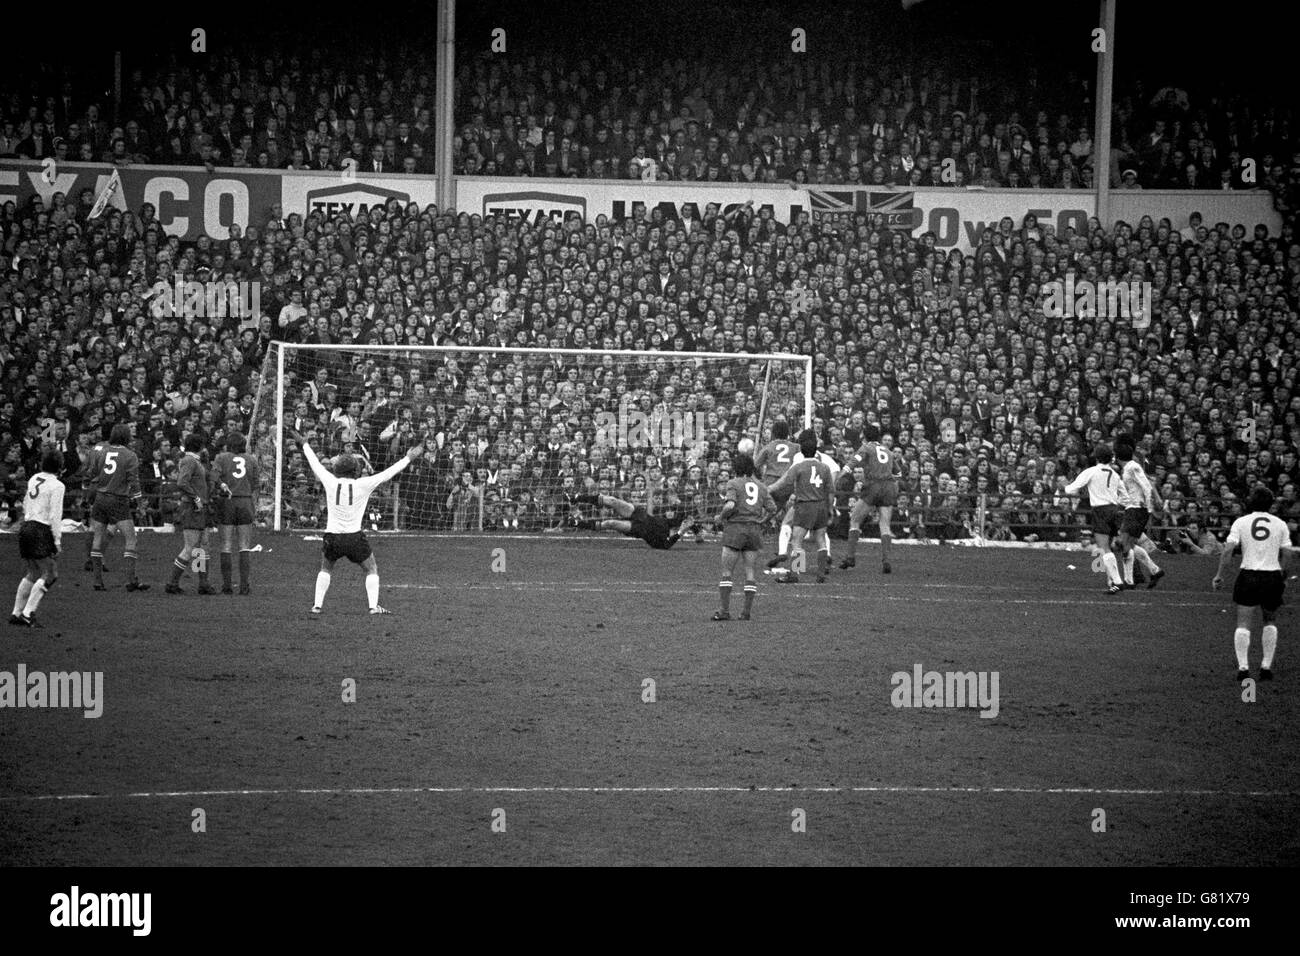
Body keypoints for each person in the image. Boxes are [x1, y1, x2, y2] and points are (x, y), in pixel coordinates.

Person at [293, 429, 426, 615]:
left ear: (337, 469)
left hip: (332, 536)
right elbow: (387, 473)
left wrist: (305, 444)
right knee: (371, 568)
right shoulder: (363, 484)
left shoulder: (330, 481)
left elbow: (315, 464)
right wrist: (408, 458)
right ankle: (373, 607)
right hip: (354, 537)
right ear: (355, 470)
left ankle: (317, 606)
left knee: (326, 568)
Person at [1212, 487, 1293, 682]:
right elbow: (1289, 553)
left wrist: (1219, 575)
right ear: (1270, 503)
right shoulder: (1280, 523)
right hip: (1272, 575)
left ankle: (1243, 668)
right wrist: (1283, 576)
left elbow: (1228, 549)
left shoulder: (1241, 522)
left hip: (1248, 574)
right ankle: (1266, 667)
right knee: (1270, 620)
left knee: (1243, 623)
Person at [766, 429, 835, 584]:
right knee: (821, 539)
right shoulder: (825, 468)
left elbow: (784, 482)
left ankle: (795, 573)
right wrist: (830, 509)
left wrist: (768, 489)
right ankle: (821, 573)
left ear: (802, 451)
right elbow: (831, 491)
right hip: (821, 506)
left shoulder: (798, 467)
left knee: (797, 540)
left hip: (805, 506)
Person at [713, 453, 776, 621]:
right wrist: (762, 521)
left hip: (736, 528)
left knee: (727, 572)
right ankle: (746, 612)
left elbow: (731, 505)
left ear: (736, 468)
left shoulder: (733, 483)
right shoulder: (761, 486)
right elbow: (773, 508)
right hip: (754, 530)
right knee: (750, 571)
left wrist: (721, 517)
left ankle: (724, 611)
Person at [86, 424, 148, 592]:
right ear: (126, 437)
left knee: (97, 539)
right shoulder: (130, 455)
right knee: (130, 539)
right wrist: (140, 504)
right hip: (118, 499)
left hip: (100, 497)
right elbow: (134, 482)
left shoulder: (102, 452)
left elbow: (93, 473)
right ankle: (131, 580)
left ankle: (98, 581)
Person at [11, 448, 65, 628]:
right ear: (60, 466)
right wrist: (57, 541)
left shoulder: (34, 478)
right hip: (40, 529)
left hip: (26, 526)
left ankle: (16, 612)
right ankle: (28, 613)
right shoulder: (57, 486)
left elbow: (26, 503)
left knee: (33, 572)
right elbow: (55, 516)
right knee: (51, 573)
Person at [1062, 443, 1126, 594]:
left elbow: (1073, 488)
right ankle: (1113, 580)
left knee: (1104, 547)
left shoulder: (1092, 471)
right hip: (1115, 510)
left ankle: (1117, 581)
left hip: (1101, 510)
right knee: (1112, 545)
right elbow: (1124, 495)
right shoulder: (1115, 475)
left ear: (1097, 457)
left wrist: (1064, 486)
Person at [840, 427, 903, 573]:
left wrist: (841, 474)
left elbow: (853, 463)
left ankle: (850, 557)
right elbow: (899, 473)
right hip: (888, 487)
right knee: (885, 524)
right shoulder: (888, 451)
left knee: (855, 520)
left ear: (864, 436)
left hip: (873, 486)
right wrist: (888, 478)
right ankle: (886, 560)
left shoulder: (866, 448)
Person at [1113, 437, 1166, 589]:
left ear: (1118, 457)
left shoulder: (1132, 467)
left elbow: (1146, 485)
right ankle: (1154, 571)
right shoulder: (1129, 467)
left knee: (1123, 544)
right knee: (1127, 544)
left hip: (1137, 509)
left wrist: (1148, 505)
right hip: (1133, 508)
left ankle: (1130, 581)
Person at [166, 434, 216, 595]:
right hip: (192, 508)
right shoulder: (189, 460)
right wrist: (195, 498)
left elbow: (203, 479)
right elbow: (182, 482)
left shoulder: (196, 461)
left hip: (200, 508)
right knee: (190, 547)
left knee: (203, 546)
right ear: (200, 446)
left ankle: (202, 583)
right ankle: (172, 583)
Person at [212, 432, 259, 595]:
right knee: (244, 546)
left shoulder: (221, 458)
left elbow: (214, 478)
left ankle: (227, 586)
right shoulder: (251, 459)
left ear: (229, 445)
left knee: (225, 544)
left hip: (227, 502)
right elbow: (255, 483)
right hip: (245, 502)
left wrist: (222, 486)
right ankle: (245, 586)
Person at [568, 491, 689, 549]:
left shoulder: (660, 541)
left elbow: (666, 546)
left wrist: (680, 533)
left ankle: (577, 523)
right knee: (613, 501)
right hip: (641, 514)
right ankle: (577, 497)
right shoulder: (669, 523)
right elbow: (687, 518)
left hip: (637, 529)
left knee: (611, 523)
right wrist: (697, 532)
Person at [755, 420, 800, 568]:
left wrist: (759, 480)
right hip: (790, 485)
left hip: (771, 485)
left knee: (760, 514)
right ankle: (798, 565)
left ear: (773, 432)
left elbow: (755, 465)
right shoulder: (796, 447)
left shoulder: (768, 447)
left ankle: (751, 541)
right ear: (788, 433)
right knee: (795, 525)